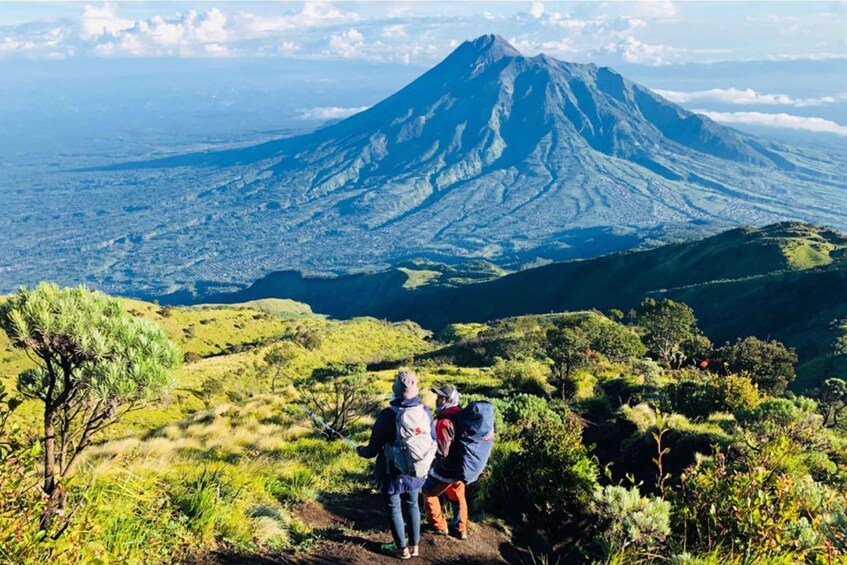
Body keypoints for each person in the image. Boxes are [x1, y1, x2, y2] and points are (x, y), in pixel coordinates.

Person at [357, 370, 435, 560]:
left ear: (396, 391)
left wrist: (361, 451)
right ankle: (414, 546)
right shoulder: (425, 411)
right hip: (417, 470)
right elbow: (433, 439)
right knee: (412, 506)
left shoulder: (387, 415)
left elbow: (373, 449)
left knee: (394, 508)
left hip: (391, 472)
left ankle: (401, 549)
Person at [422, 384, 469, 540]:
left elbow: (443, 452)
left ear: (448, 400)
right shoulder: (461, 415)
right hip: (462, 467)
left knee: (429, 491)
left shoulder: (444, 422)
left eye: (441, 398)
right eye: (438, 397)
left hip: (447, 468)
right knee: (457, 495)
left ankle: (439, 526)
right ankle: (461, 528)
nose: (437, 400)